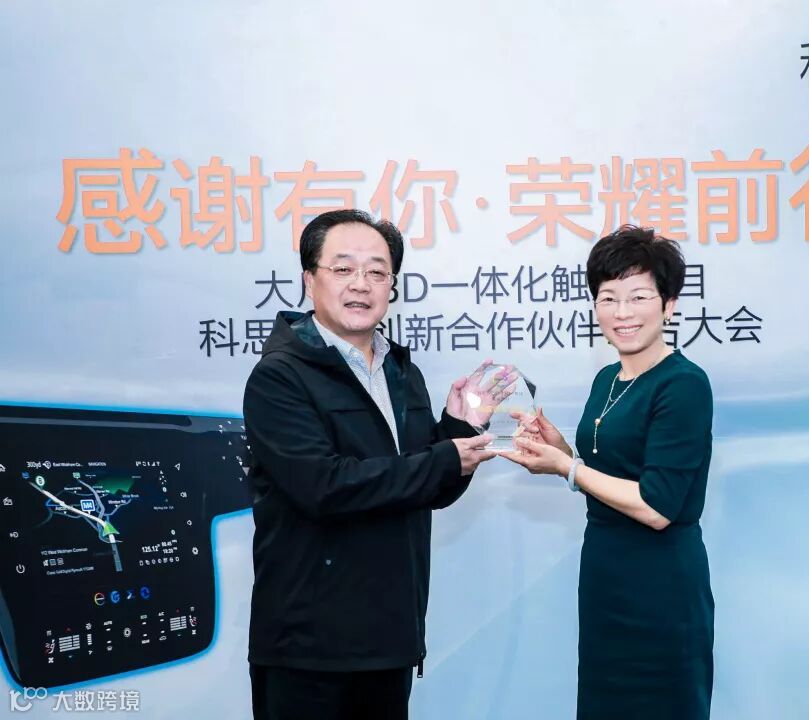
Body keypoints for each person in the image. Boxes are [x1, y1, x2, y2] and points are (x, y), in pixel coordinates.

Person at [243, 209, 504, 720]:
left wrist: (458, 428)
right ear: (309, 280)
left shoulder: (401, 372)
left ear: (392, 286)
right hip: (309, 648)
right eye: (343, 269)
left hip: (389, 639)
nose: (361, 284)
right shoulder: (279, 377)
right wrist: (443, 457)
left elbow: (428, 487)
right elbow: (324, 487)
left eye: (377, 272)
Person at [503, 224, 715, 719]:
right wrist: (559, 450)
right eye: (608, 298)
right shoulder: (607, 378)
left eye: (639, 297)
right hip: (605, 577)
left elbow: (658, 505)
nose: (622, 313)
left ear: (669, 305)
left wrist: (568, 467)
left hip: (661, 584)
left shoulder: (684, 384)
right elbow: (610, 471)